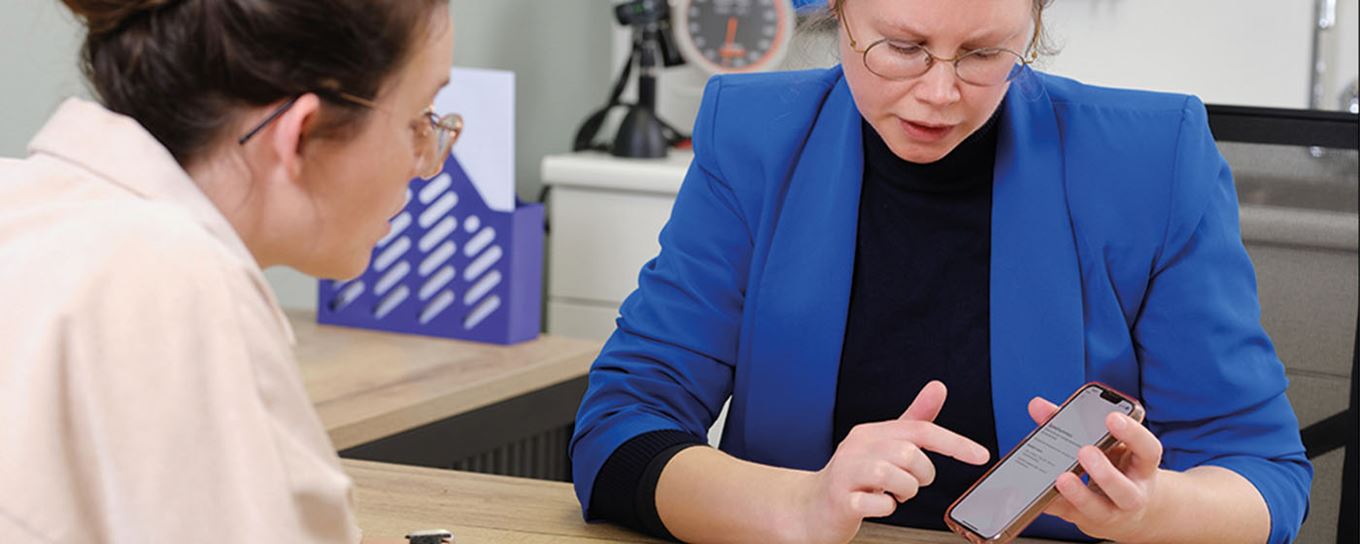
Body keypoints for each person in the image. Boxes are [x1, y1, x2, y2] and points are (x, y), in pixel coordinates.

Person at [570, 0, 1311, 542]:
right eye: (902, 47)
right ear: (839, 14)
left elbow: (1265, 477)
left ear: (1032, 26)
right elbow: (620, 428)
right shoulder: (752, 137)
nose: (939, 93)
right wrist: (799, 507)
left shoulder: (1153, 161)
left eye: (984, 54)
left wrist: (1154, 512)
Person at [0, 0, 460, 542]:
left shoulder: (23, 202)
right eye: (418, 120)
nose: (425, 162)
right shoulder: (174, 280)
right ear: (301, 133)